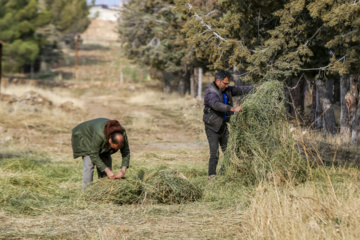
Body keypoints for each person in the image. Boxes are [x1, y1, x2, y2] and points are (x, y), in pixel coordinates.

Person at [203, 70, 253, 178]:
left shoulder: (226, 89)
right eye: (225, 83)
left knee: (229, 152)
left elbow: (240, 89)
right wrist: (232, 108)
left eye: (228, 83)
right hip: (212, 127)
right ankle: (211, 176)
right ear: (217, 81)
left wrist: (256, 89)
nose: (227, 85)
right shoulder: (211, 92)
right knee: (214, 154)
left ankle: (222, 174)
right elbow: (216, 105)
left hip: (223, 126)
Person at [71, 118, 130, 189]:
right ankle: (87, 192)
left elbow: (126, 152)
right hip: (85, 136)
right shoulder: (100, 135)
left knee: (106, 160)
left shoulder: (122, 134)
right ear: (110, 140)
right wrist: (107, 171)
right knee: (89, 163)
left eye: (118, 148)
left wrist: (123, 171)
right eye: (115, 148)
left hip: (101, 138)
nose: (116, 150)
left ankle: (103, 190)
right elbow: (94, 154)